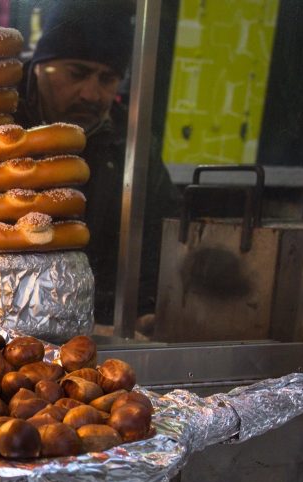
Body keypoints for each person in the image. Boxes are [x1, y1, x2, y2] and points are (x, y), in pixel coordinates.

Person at [15, 0, 180, 329]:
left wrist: (143, 313)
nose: (91, 94)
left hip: (99, 329)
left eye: (107, 79)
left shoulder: (129, 145)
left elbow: (155, 238)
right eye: (77, 74)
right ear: (40, 65)